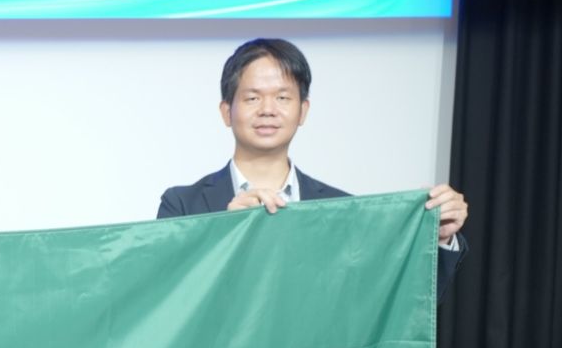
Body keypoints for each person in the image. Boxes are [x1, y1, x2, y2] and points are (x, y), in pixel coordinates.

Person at [157, 38, 468, 298]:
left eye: (282, 97)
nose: (268, 110)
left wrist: (440, 238)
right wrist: (226, 234)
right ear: (227, 111)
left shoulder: (341, 209)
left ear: (303, 110)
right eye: (252, 98)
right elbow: (165, 303)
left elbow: (392, 301)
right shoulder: (181, 205)